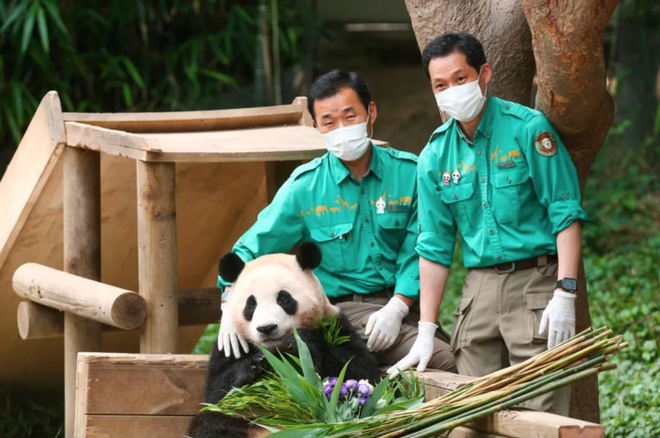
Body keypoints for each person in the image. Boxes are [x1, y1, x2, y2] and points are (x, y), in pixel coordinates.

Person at [386, 32, 589, 416]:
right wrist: (426, 329)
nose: (451, 91)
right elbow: (433, 245)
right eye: (440, 85)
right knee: (474, 411)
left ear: (484, 74)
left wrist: (565, 291)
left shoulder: (529, 129)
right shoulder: (433, 156)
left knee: (540, 409)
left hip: (536, 283)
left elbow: (565, 211)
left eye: (460, 79)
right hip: (477, 290)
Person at [216, 69, 457, 373]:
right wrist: (229, 303)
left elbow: (421, 248)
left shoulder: (410, 173)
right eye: (329, 122)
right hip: (338, 313)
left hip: (403, 308)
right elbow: (249, 248)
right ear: (316, 126)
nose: (341, 128)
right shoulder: (305, 187)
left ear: (371, 112)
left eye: (350, 116)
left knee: (451, 355)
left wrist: (397, 306)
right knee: (445, 361)